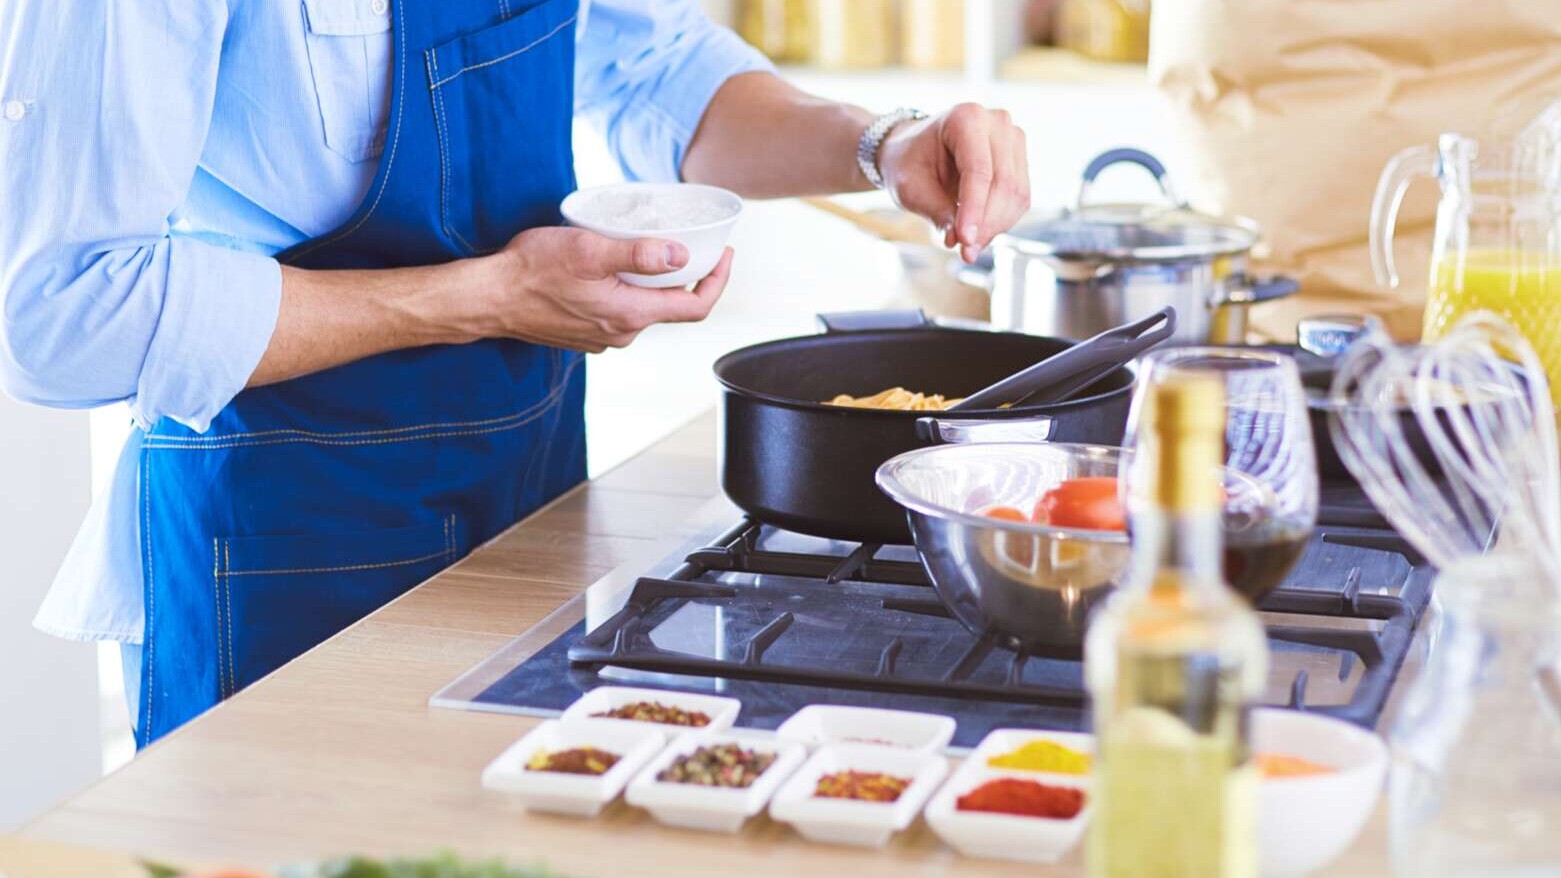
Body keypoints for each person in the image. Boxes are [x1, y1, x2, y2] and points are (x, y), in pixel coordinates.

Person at [0, 0, 1030, 747]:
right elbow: (66, 313)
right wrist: (488, 296)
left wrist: (881, 147)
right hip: (283, 537)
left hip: (526, 505)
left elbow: (654, 66)